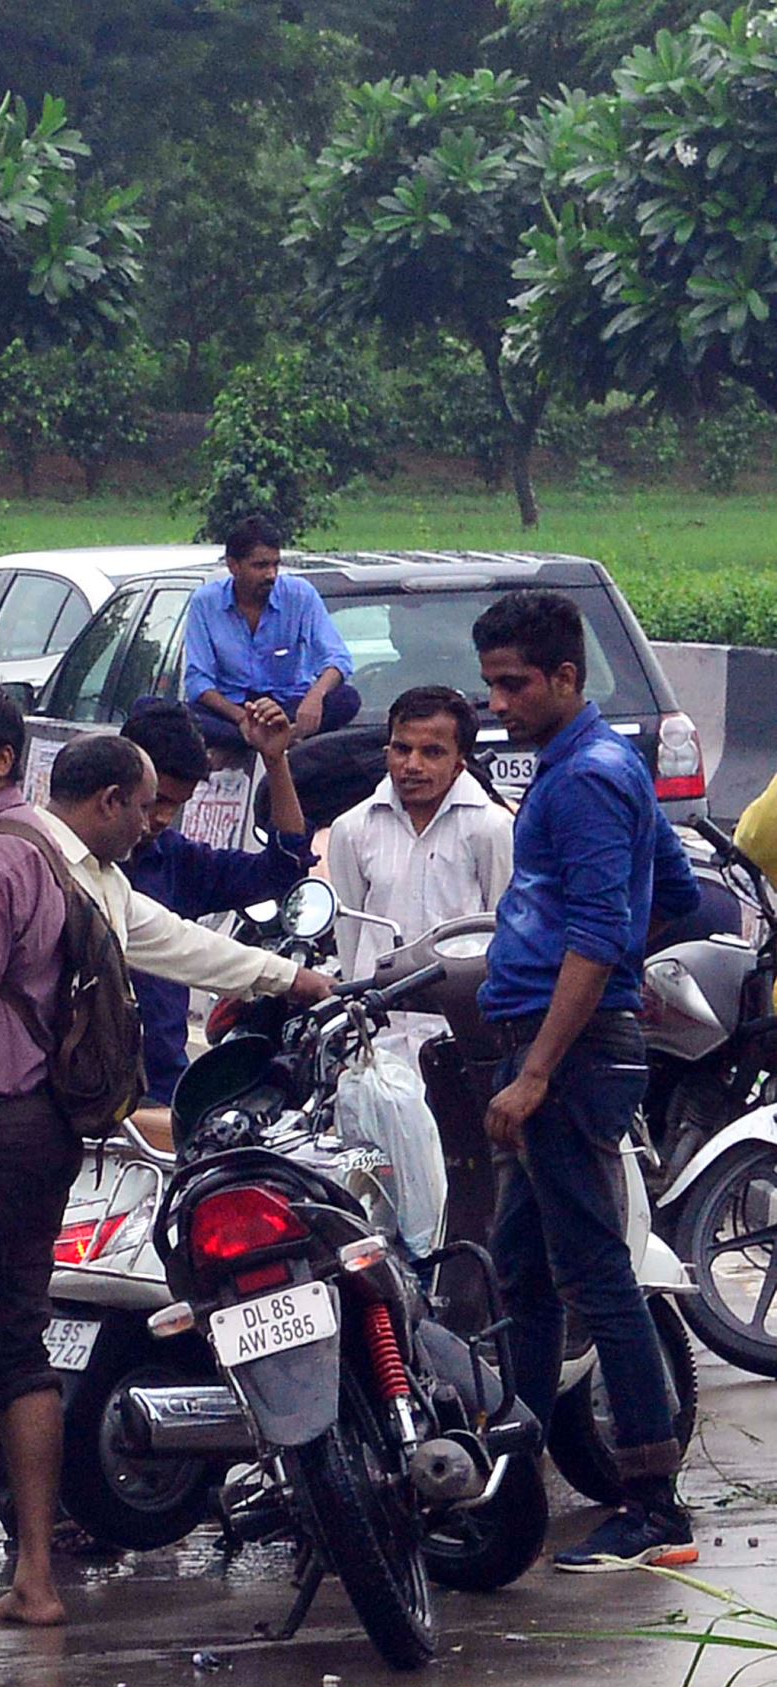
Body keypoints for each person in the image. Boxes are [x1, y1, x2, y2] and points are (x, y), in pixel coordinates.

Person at [0, 690, 335, 1641]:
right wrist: (293, 977)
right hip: (44, 1135)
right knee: (23, 1349)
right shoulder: (56, 858)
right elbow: (177, 942)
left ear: (6, 761)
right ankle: (33, 1577)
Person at [473, 588, 698, 1569]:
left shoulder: (584, 780)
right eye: (492, 684)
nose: (500, 704)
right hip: (567, 1041)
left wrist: (539, 1066)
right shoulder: (596, 766)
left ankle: (653, 1503)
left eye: (515, 684)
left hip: (560, 1059)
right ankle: (509, 1480)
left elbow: (602, 932)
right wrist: (612, 986)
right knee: (518, 1272)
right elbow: (675, 896)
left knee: (595, 1272)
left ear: (568, 678)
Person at [119, 695, 316, 1112]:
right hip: (79, 1098)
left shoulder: (176, 861)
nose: (161, 819)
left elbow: (283, 869)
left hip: (160, 1089)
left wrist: (275, 761)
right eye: (155, 802)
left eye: (175, 806)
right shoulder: (59, 867)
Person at [325, 685, 514, 962]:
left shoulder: (492, 827)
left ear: (459, 765)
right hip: (380, 999)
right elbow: (349, 935)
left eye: (432, 753)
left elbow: (504, 928)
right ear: (387, 751)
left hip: (461, 1000)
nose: (412, 765)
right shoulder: (352, 828)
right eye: (402, 749)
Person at [182, 511, 358, 758]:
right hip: (232, 712)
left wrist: (315, 696)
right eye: (260, 566)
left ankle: (262, 741)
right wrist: (242, 718)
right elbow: (198, 681)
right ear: (233, 566)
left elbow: (338, 658)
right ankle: (273, 740)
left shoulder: (300, 594)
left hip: (288, 706)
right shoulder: (205, 602)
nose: (271, 575)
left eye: (275, 564)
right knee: (167, 714)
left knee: (347, 699)